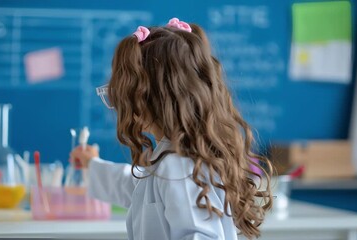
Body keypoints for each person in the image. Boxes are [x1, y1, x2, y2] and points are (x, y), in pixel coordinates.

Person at [70, 17, 273, 240]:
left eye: (125, 93)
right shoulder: (174, 159)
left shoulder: (178, 165)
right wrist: (92, 165)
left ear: (151, 97)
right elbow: (135, 186)